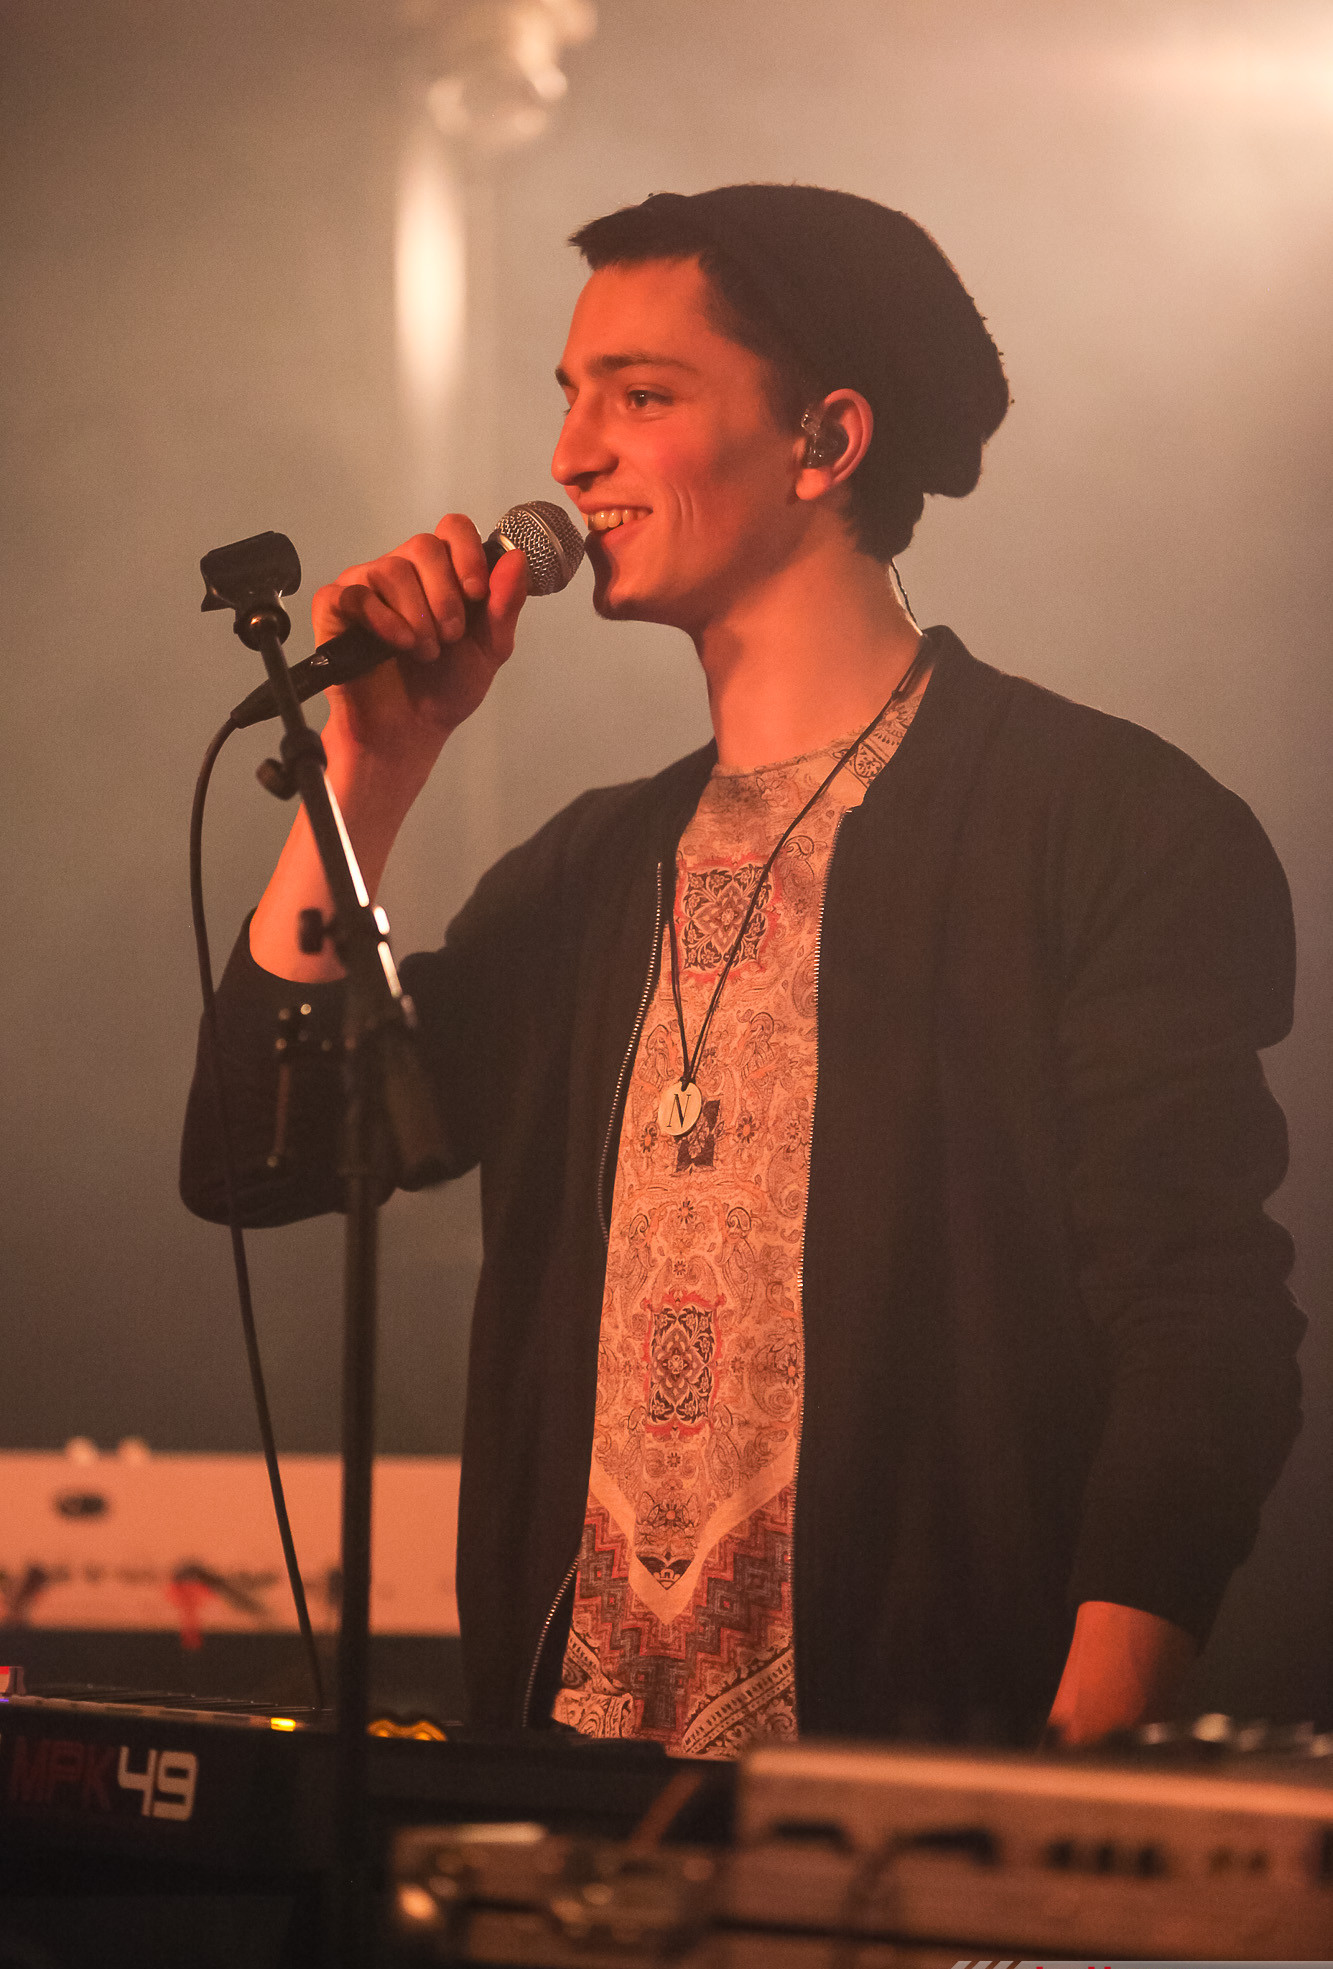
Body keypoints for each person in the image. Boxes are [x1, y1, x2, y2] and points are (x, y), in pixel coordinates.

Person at [181, 184, 1304, 1753]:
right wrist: (368, 773)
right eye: (569, 396)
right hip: (569, 1803)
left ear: (822, 440)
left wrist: (1075, 1762)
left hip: (920, 1781)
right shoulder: (583, 874)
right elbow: (258, 1159)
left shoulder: (1101, 824)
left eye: (641, 395)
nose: (571, 453)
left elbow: (1199, 1317)